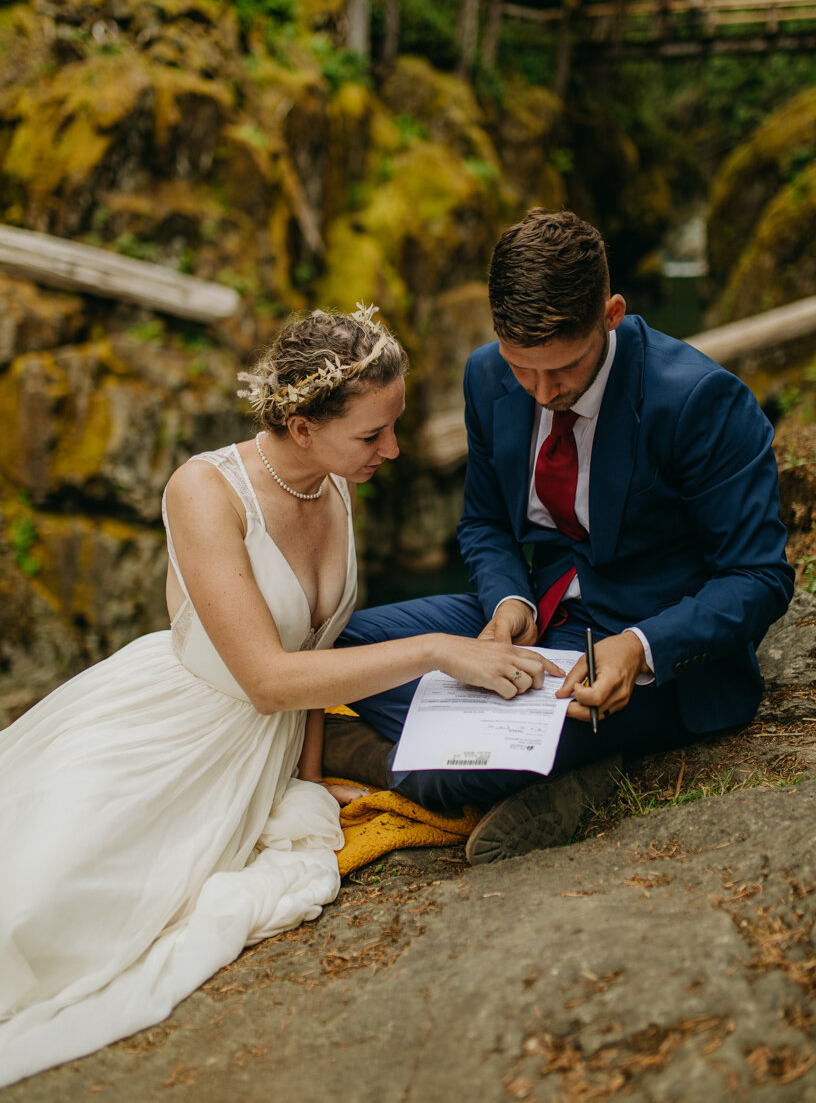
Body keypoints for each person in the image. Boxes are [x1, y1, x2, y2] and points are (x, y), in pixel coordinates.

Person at [0, 304, 548, 1088]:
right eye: (372, 435)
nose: (393, 451)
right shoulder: (204, 490)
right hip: (167, 733)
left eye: (393, 428)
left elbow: (314, 661)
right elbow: (267, 680)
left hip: (269, 753)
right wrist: (435, 650)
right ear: (299, 424)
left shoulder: (336, 483)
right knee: (39, 916)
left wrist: (309, 781)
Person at [335, 210, 794, 864]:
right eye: (524, 369)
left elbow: (759, 578)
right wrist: (506, 605)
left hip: (643, 643)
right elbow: (487, 523)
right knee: (346, 646)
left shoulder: (699, 401)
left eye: (565, 369)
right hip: (537, 617)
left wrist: (641, 647)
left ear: (611, 313)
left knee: (452, 766)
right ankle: (554, 761)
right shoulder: (487, 374)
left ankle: (416, 768)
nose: (543, 392)